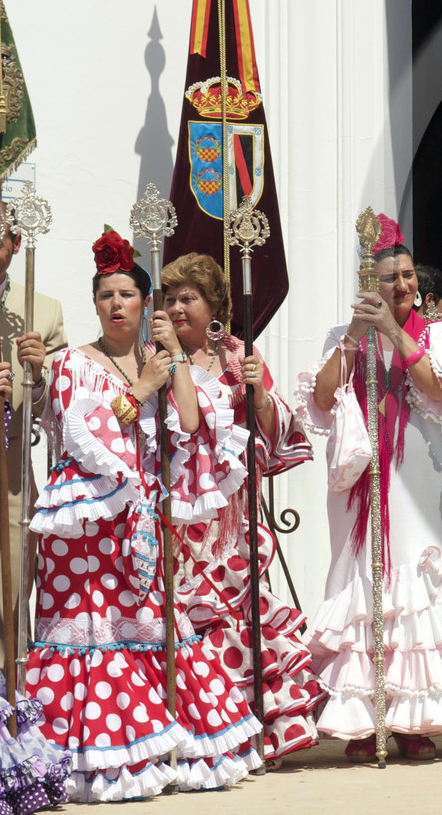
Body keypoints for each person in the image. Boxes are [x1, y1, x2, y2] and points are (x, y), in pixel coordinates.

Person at [26, 229, 260, 799]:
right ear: (95, 304)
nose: (116, 305)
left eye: (127, 294)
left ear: (145, 304)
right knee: (94, 630)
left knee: (153, 628)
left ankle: (161, 745)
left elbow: (190, 419)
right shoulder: (71, 366)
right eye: (106, 295)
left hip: (144, 526)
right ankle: (92, 756)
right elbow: (84, 436)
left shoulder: (163, 359)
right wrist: (140, 386)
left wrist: (170, 360)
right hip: (85, 530)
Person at [300, 217, 442, 761]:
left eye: (406, 276)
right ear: (366, 284)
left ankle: (412, 718)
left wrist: (395, 334)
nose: (401, 286)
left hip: (416, 475)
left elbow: (438, 389)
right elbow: (322, 399)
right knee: (362, 580)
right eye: (389, 278)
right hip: (361, 479)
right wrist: (355, 336)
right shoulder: (343, 335)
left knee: (414, 582)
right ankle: (365, 714)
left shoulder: (436, 331)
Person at [162, 252, 323, 767]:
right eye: (170, 298)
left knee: (237, 610)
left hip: (230, 515)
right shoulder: (154, 354)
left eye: (188, 297)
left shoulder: (237, 354)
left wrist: (257, 393)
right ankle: (199, 731)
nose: (177, 306)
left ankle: (254, 728)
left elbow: (272, 430)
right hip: (177, 511)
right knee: (186, 614)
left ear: (215, 306)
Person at [0, 360, 69, 813]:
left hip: (1, 475)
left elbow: (47, 406)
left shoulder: (43, 314)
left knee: (1, 616)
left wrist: (21, 385)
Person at [0, 198, 65, 666]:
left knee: (10, 592)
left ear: (16, 245)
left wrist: (38, 377)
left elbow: (56, 409)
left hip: (13, 468)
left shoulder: (42, 309)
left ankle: (3, 703)